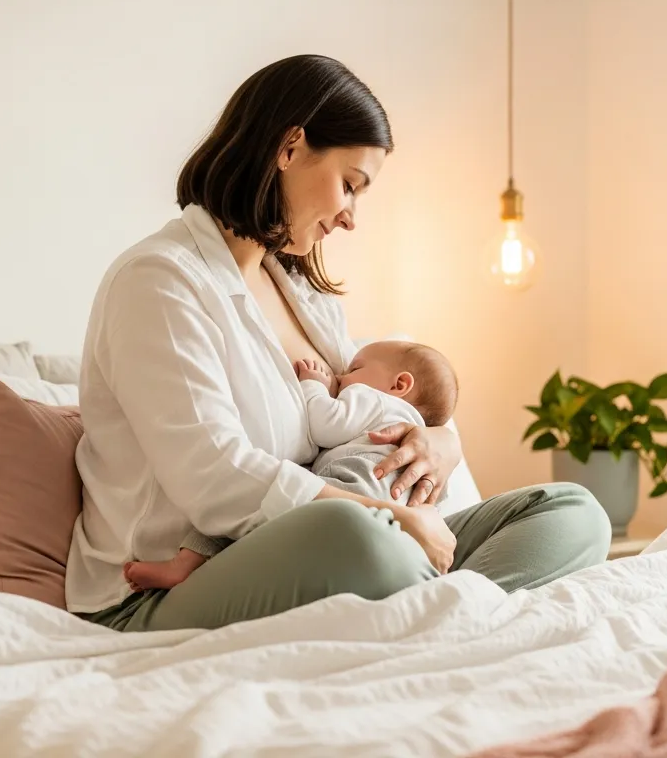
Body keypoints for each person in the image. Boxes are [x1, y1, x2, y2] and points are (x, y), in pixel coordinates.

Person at [66, 54, 611, 633]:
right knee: (360, 538)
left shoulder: (299, 291)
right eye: (349, 185)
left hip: (338, 541)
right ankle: (445, 616)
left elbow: (369, 410)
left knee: (573, 513)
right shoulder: (160, 281)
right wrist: (388, 517)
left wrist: (439, 442)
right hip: (160, 591)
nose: (350, 218)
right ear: (289, 147)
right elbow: (214, 479)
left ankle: (442, 622)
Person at [123, 339, 459, 591]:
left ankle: (186, 562)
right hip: (399, 504)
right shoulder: (411, 429)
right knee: (262, 493)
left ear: (399, 385)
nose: (341, 376)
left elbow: (325, 425)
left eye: (354, 369)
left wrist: (314, 385)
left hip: (357, 481)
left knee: (260, 505)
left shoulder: (374, 399)